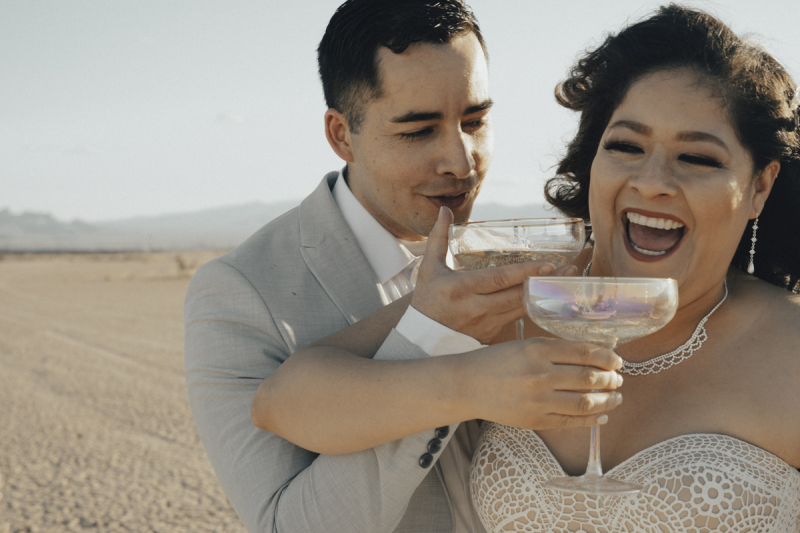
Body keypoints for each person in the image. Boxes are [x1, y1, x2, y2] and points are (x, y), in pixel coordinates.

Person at [252, 4, 800, 533]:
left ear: (759, 186)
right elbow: (283, 402)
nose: (653, 180)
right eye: (627, 146)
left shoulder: (789, 350)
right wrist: (470, 383)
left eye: (698, 158)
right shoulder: (529, 292)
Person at [185, 1, 623, 532]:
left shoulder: (522, 260)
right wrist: (432, 337)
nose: (461, 163)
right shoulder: (241, 293)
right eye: (418, 131)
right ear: (341, 135)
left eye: (475, 120)